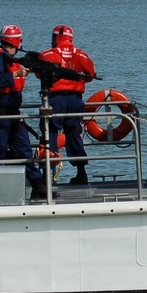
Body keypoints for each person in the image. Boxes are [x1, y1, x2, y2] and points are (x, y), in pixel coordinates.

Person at [0, 24, 51, 199]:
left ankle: (38, 185)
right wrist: (16, 75)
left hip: (13, 114)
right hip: (0, 115)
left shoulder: (11, 59)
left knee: (23, 149)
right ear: (17, 41)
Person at [39, 25, 96, 185]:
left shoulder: (47, 55)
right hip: (75, 100)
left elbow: (39, 74)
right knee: (74, 134)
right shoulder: (81, 55)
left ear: (56, 37)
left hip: (55, 99)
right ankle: (81, 172)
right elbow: (90, 75)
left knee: (49, 134)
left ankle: (46, 176)